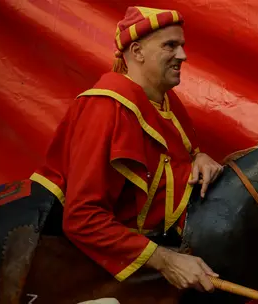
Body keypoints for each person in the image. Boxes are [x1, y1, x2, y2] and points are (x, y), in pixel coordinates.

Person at [29, 6, 224, 293]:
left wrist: (200, 157)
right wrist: (166, 261)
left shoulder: (167, 101)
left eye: (182, 45)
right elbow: (82, 219)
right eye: (170, 45)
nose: (182, 55)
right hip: (91, 272)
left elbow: (176, 156)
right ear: (137, 51)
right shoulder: (106, 108)